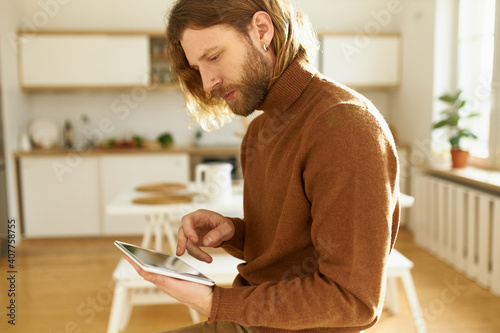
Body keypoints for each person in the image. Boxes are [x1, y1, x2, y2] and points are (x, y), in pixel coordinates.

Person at [125, 0, 400, 332]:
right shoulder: (258, 131)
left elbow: (353, 301)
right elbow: (292, 250)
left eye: (213, 57)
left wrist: (214, 303)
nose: (208, 82)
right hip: (253, 321)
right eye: (198, 68)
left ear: (261, 30)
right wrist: (235, 232)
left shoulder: (345, 126)